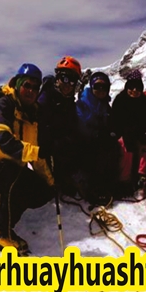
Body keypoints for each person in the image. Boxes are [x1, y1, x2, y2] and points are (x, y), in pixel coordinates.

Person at [0, 63, 55, 255]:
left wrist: (51, 182)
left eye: (35, 87)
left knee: (42, 192)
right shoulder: (4, 105)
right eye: (27, 85)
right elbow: (3, 141)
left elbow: (36, 154)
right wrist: (36, 152)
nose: (31, 91)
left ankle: (2, 203)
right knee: (18, 185)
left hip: (12, 165)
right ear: (17, 84)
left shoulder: (33, 113)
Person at [37, 56, 82, 196]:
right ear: (57, 79)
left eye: (72, 80)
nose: (68, 84)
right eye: (65, 79)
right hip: (44, 149)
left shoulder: (68, 102)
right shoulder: (46, 98)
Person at [75, 71, 117, 206]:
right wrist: (98, 135)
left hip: (98, 143)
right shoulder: (82, 103)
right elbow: (80, 126)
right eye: (97, 86)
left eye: (103, 87)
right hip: (83, 143)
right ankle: (89, 187)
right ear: (91, 87)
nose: (100, 90)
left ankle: (104, 185)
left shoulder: (106, 106)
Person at [110, 70, 146, 196]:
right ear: (127, 87)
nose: (134, 90)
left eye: (138, 88)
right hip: (123, 134)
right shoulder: (120, 100)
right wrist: (123, 133)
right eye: (131, 87)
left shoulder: (145, 102)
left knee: (145, 146)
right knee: (125, 147)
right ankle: (124, 180)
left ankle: (142, 177)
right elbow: (114, 121)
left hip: (140, 133)